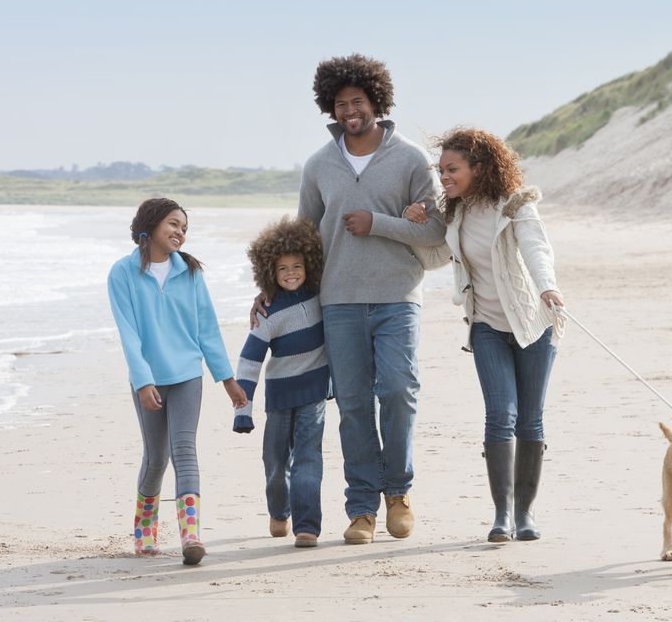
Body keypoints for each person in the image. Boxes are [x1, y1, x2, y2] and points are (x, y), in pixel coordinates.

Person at [252, 54, 445, 544]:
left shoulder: (410, 160)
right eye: (340, 104)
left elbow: (436, 229)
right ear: (330, 108)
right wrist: (271, 288)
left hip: (398, 296)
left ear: (377, 101)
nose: (349, 111)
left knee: (398, 390)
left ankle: (398, 492)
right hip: (337, 302)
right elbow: (302, 237)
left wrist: (377, 222)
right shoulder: (319, 165)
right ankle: (362, 508)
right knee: (355, 404)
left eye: (357, 101)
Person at [403, 127, 564, 542]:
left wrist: (548, 286)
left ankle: (525, 514)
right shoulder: (454, 214)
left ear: (479, 167)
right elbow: (437, 256)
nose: (444, 178)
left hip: (532, 324)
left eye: (452, 169)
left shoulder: (515, 204)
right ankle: (503, 515)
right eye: (441, 171)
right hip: (486, 326)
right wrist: (414, 224)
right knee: (500, 414)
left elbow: (536, 248)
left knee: (530, 419)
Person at [108, 197, 247, 565]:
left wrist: (227, 378)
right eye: (173, 224)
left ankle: (191, 538)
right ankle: (145, 532)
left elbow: (207, 329)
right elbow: (128, 334)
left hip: (187, 375)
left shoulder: (190, 272)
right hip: (150, 380)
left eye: (184, 228)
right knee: (156, 459)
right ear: (151, 225)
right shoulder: (122, 274)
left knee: (184, 449)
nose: (180, 233)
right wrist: (142, 381)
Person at [234, 216, 329, 548]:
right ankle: (279, 511)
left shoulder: (322, 297)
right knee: (275, 462)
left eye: (298, 266)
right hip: (279, 397)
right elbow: (249, 362)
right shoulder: (268, 312)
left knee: (308, 458)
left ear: (309, 264)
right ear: (269, 273)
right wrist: (242, 410)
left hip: (314, 393)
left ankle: (307, 526)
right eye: (283, 268)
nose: (291, 273)